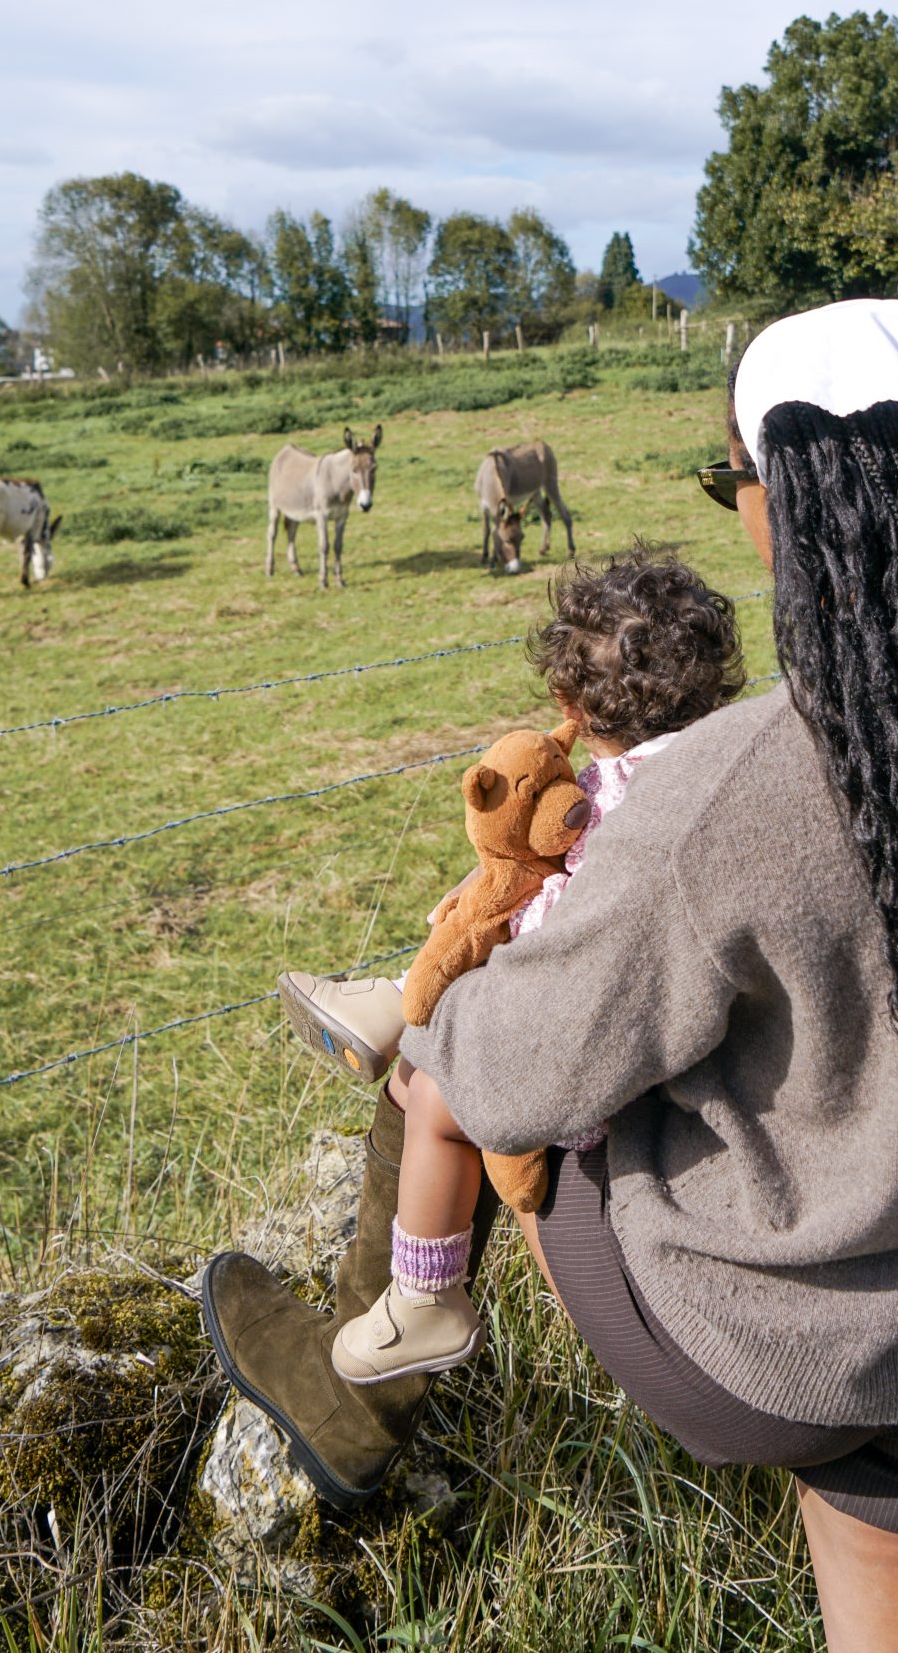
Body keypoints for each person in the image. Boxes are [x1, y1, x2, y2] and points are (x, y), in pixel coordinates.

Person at [200, 299, 898, 1653]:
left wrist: (456, 976)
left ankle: (364, 1382)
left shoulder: (733, 792)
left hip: (772, 1347)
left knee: (444, 1072)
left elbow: (515, 1071)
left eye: (736, 480)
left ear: (807, 503)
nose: (738, 514)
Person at [277, 548, 746, 1382]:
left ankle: (426, 1299)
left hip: (591, 1089)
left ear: (566, 703)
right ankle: (392, 1007)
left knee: (436, 1096)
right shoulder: (727, 777)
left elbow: (557, 961)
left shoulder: (613, 814)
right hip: (684, 1062)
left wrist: (477, 944)